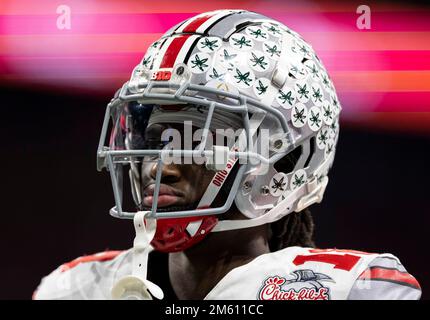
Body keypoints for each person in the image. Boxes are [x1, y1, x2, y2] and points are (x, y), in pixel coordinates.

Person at [34, 9, 421, 300]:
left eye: (197, 139)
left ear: (288, 157)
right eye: (156, 137)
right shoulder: (75, 290)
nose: (161, 166)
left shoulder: (352, 290)